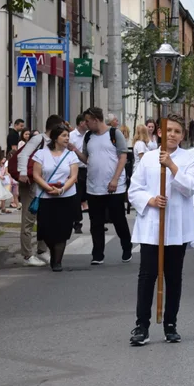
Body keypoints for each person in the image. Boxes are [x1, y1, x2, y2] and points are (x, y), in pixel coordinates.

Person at [127, 114, 194, 345]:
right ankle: (142, 326)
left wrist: (171, 165)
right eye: (168, 130)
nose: (172, 134)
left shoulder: (188, 158)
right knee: (147, 276)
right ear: (159, 132)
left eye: (177, 131)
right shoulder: (148, 158)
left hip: (176, 225)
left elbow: (191, 188)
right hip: (152, 225)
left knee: (173, 277)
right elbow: (134, 189)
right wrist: (149, 200)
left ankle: (170, 324)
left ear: (182, 136)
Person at [80, 107, 133, 265]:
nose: (86, 124)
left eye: (88, 121)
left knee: (118, 219)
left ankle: (126, 246)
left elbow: (123, 157)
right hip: (93, 186)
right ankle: (97, 254)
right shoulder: (88, 136)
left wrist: (115, 179)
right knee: (96, 222)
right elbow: (86, 158)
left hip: (113, 187)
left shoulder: (114, 134)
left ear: (96, 120)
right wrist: (75, 151)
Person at [15, 114, 63, 267]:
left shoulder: (53, 142)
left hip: (43, 184)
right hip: (30, 183)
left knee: (43, 219)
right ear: (55, 127)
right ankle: (27, 255)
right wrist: (23, 173)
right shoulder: (38, 139)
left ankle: (41, 250)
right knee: (29, 218)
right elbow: (23, 154)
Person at [31, 125, 80, 272]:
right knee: (46, 230)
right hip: (46, 197)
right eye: (64, 135)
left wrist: (62, 189)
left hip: (66, 197)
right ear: (55, 138)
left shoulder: (71, 155)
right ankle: (52, 251)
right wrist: (48, 188)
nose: (67, 138)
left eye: (68, 136)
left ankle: (57, 261)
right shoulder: (41, 154)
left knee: (63, 230)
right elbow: (36, 175)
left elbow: (74, 176)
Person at [69, 113, 89, 234]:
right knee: (77, 196)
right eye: (86, 122)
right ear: (81, 123)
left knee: (89, 195)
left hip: (88, 168)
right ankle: (77, 222)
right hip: (76, 168)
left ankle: (98, 221)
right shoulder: (71, 136)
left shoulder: (89, 135)